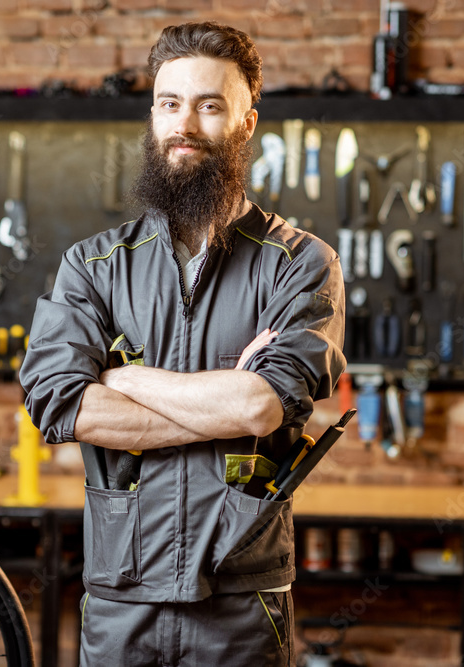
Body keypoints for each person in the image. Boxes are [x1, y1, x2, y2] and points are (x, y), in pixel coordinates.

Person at [19, 21, 346, 667]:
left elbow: (261, 407)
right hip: (122, 595)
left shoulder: (300, 263)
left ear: (247, 122)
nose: (185, 123)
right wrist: (219, 403)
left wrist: (121, 377)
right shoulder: (94, 264)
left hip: (240, 593)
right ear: (153, 114)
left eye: (210, 104)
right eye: (170, 103)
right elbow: (60, 406)